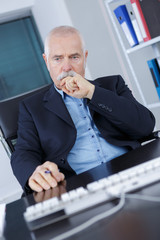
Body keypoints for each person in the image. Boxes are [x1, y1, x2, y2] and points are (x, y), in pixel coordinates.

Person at [11, 26, 155, 193]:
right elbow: (23, 152)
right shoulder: (31, 108)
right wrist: (33, 172)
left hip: (132, 170)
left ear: (85, 57)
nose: (66, 67)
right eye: (57, 59)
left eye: (74, 57)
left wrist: (93, 93)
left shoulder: (113, 85)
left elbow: (145, 126)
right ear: (46, 61)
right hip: (79, 186)